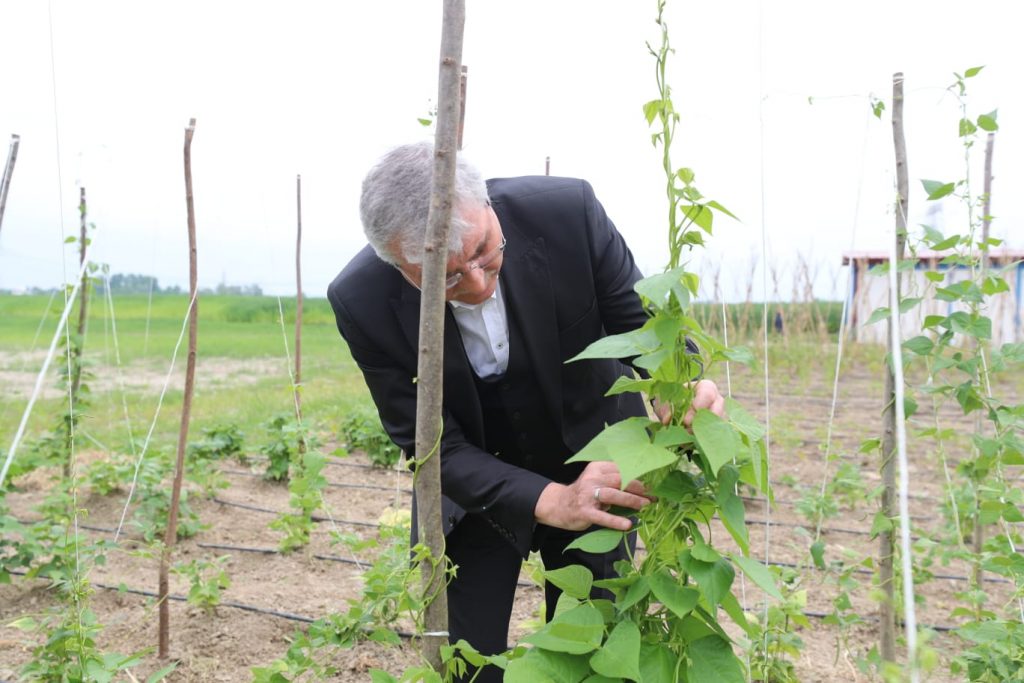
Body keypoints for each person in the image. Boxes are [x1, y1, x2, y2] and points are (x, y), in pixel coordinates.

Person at [327, 141, 724, 681]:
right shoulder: (362, 300)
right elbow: (429, 443)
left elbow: (643, 328)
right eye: (444, 277)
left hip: (591, 462)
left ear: (487, 204)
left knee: (592, 648)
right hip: (471, 489)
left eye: (484, 251)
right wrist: (549, 500)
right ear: (397, 263)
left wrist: (681, 386)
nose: (476, 282)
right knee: (466, 659)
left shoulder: (567, 214)